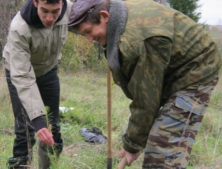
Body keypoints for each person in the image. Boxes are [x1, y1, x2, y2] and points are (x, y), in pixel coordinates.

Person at [68, 0, 221, 168]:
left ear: (105, 16)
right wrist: (137, 138)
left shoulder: (139, 41)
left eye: (89, 31)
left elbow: (146, 99)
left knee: (162, 151)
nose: (89, 39)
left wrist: (132, 144)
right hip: (171, 68)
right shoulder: (119, 19)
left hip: (197, 67)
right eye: (84, 35)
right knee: (156, 130)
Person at [2, 0, 72, 168]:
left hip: (48, 70)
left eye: (55, 12)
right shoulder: (19, 27)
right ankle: (21, 164)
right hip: (20, 72)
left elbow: (93, 22)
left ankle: (47, 166)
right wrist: (37, 121)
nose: (49, 18)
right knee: (25, 130)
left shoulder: (71, 9)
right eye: (44, 10)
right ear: (35, 2)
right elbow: (23, 76)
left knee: (52, 126)